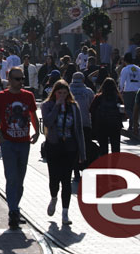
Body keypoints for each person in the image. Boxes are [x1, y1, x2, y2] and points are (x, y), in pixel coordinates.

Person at [0, 66, 40, 230]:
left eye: (22, 79)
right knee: (11, 178)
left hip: (24, 143)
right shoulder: (0, 97)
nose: (21, 82)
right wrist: (1, 136)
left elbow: (33, 115)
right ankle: (13, 211)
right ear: (9, 80)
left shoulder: (28, 96)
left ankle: (15, 209)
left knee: (20, 180)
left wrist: (37, 132)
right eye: (17, 79)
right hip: (9, 144)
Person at [41, 80, 86, 225]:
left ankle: (65, 213)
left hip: (69, 147)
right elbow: (47, 122)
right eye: (59, 93)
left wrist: (82, 152)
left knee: (66, 180)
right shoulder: (47, 105)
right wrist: (56, 106)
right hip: (54, 146)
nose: (62, 96)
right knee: (54, 179)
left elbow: (79, 130)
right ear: (54, 93)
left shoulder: (73, 107)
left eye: (65, 93)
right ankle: (54, 198)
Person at [68, 71, 95, 178]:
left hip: (71, 125)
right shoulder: (88, 92)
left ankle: (75, 170)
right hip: (86, 123)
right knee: (86, 146)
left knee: (74, 148)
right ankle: (85, 167)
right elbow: (92, 108)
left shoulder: (68, 91)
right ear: (83, 80)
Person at [119, 52, 140, 126]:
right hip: (138, 90)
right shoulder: (138, 68)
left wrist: (120, 90)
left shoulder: (125, 69)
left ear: (124, 60)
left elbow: (122, 81)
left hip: (128, 91)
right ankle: (133, 124)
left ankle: (133, 120)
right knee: (136, 108)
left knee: (128, 109)